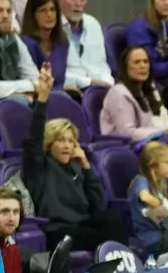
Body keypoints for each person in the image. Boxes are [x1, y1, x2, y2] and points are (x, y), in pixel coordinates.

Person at [23, 66, 120, 251]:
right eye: (60, 140)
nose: (67, 145)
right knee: (99, 238)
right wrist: (43, 97)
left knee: (112, 217)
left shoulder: (76, 168)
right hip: (58, 231)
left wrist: (86, 167)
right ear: (50, 144)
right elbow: (33, 138)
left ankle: (122, 268)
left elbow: (98, 205)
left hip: (83, 225)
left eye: (71, 141)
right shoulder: (39, 166)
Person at [101, 44, 168, 143]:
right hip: (128, 147)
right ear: (126, 67)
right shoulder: (119, 93)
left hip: (153, 143)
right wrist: (162, 133)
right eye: (137, 62)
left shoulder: (149, 89)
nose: (142, 66)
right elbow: (126, 133)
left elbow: (163, 120)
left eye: (146, 62)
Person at [58, 0, 113, 92]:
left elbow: (101, 65)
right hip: (69, 89)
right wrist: (88, 82)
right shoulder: (52, 27)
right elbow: (56, 74)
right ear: (60, 0)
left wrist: (109, 84)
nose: (78, 4)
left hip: (96, 88)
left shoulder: (93, 24)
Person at [19, 0, 67, 92]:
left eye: (53, 9)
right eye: (43, 10)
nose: (49, 15)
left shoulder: (62, 42)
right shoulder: (25, 43)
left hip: (59, 96)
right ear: (33, 15)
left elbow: (60, 78)